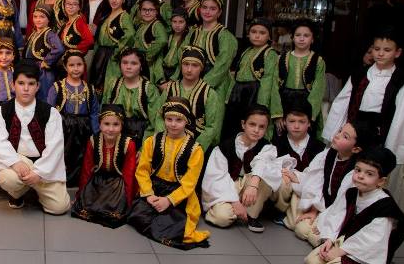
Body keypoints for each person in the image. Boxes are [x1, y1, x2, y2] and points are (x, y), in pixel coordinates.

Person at [304, 146, 404, 264]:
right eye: (358, 170)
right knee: (311, 261)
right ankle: (336, 261)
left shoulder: (385, 207)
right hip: (347, 240)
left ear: (381, 181)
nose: (360, 176)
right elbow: (337, 215)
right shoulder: (352, 193)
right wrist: (329, 238)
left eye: (369, 174)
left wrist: (339, 252)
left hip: (364, 252)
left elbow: (370, 240)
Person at [322, 28, 404, 164]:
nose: (380, 54)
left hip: (379, 136)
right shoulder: (359, 75)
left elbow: (402, 118)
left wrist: (391, 150)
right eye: (376, 49)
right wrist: (333, 133)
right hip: (353, 133)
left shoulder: (401, 81)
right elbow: (341, 105)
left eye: (387, 50)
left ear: (397, 52)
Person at [0, 62, 70, 214]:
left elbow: (55, 147)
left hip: (44, 165)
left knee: (59, 208)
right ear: (13, 85)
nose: (25, 88)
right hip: (18, 162)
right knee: (7, 179)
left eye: (31, 84)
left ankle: (35, 188)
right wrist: (15, 162)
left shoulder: (50, 113)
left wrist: (38, 173)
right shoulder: (1, 112)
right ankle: (17, 193)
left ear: (37, 86)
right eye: (21, 83)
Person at [128, 98, 211, 249]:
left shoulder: (195, 149)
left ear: (187, 121)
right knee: (138, 216)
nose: (173, 124)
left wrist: (168, 200)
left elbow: (189, 183)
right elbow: (142, 170)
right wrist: (149, 194)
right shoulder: (152, 141)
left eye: (179, 120)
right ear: (164, 120)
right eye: (169, 119)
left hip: (179, 194)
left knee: (174, 225)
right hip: (155, 188)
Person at [200, 104, 294, 233]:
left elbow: (262, 163)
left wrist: (253, 185)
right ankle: (231, 208)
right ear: (243, 124)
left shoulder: (267, 147)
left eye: (261, 127)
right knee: (222, 218)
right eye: (252, 124)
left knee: (265, 176)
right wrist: (234, 202)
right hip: (228, 186)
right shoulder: (225, 147)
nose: (256, 130)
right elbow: (216, 177)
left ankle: (251, 215)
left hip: (251, 187)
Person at [293, 119, 377, 246]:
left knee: (316, 238)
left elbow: (343, 205)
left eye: (345, 136)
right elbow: (316, 182)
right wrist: (314, 209)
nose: (337, 136)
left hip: (339, 213)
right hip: (324, 204)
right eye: (340, 131)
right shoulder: (328, 154)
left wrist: (327, 225)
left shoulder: (356, 170)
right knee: (301, 229)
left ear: (355, 149)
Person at [72, 104, 137, 228]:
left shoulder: (129, 144)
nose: (111, 129)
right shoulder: (93, 141)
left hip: (118, 183)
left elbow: (129, 175)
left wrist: (129, 202)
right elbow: (86, 169)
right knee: (85, 206)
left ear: (122, 125)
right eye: (106, 124)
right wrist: (79, 195)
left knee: (115, 210)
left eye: (116, 124)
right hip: (98, 180)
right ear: (100, 125)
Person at [47, 50, 100, 186]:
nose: (76, 68)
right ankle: (61, 182)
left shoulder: (90, 89)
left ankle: (79, 183)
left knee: (82, 155)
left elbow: (94, 113)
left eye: (79, 65)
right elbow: (50, 112)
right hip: (64, 127)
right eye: (71, 65)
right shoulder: (57, 87)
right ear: (65, 67)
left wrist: (96, 134)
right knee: (64, 154)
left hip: (84, 128)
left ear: (84, 66)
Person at [269, 98, 326, 226]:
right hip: (286, 191)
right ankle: (281, 211)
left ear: (309, 123)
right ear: (284, 121)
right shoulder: (277, 145)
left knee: (300, 223)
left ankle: (299, 213)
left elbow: (319, 177)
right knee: (282, 180)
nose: (296, 126)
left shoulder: (319, 148)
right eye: (292, 121)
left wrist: (298, 177)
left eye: (302, 121)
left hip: (308, 191)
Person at [224, 17, 281, 139]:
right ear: (248, 34)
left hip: (253, 94)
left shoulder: (270, 54)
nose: (257, 36)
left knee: (250, 125)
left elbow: (267, 82)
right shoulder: (246, 51)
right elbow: (236, 76)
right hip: (238, 94)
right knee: (234, 126)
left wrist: (261, 107)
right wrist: (229, 97)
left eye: (262, 33)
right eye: (253, 32)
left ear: (269, 36)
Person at [162, 45, 224, 150]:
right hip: (168, 142)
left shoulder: (209, 93)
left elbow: (212, 127)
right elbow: (159, 116)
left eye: (195, 65)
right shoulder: (169, 89)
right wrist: (164, 139)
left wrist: (194, 149)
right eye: (186, 64)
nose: (189, 69)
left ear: (202, 68)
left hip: (195, 145)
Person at [272, 20, 327, 137]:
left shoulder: (318, 61)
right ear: (292, 37)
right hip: (284, 103)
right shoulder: (280, 59)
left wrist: (310, 116)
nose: (301, 39)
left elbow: (318, 90)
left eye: (306, 35)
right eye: (298, 35)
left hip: (307, 103)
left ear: (312, 39)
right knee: (282, 138)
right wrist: (277, 114)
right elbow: (274, 87)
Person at [180, 0, 238, 103]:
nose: (207, 12)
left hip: (216, 85)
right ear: (200, 9)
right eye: (204, 7)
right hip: (190, 80)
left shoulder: (225, 36)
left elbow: (222, 65)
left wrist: (201, 86)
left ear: (219, 12)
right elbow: (182, 56)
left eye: (212, 9)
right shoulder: (193, 32)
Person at [102, 48, 163, 143]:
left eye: (134, 63)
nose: (128, 67)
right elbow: (104, 114)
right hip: (115, 135)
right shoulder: (113, 85)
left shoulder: (149, 89)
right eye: (125, 62)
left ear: (141, 66)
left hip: (141, 136)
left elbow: (155, 122)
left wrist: (145, 145)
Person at [90, 0, 135, 94]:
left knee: (110, 85)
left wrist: (116, 52)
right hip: (100, 54)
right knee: (96, 85)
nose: (114, 0)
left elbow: (130, 35)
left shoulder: (124, 16)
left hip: (112, 56)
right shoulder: (106, 16)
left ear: (124, 0)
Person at [22, 4, 64, 100]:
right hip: (31, 69)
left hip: (43, 72)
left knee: (43, 96)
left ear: (48, 19)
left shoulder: (50, 34)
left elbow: (59, 48)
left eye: (42, 17)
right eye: (35, 17)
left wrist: (47, 61)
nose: (38, 20)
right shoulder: (34, 33)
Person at [131, 0, 169, 85]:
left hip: (151, 64)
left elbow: (163, 40)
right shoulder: (142, 25)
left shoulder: (157, 25)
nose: (147, 12)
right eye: (144, 9)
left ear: (156, 11)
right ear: (140, 11)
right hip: (140, 62)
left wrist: (148, 55)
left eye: (151, 10)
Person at [161, 7, 189, 84]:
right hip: (165, 70)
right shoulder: (169, 36)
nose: (177, 25)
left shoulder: (187, 38)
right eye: (174, 21)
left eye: (181, 22)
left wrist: (173, 79)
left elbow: (182, 61)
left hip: (177, 72)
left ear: (186, 23)